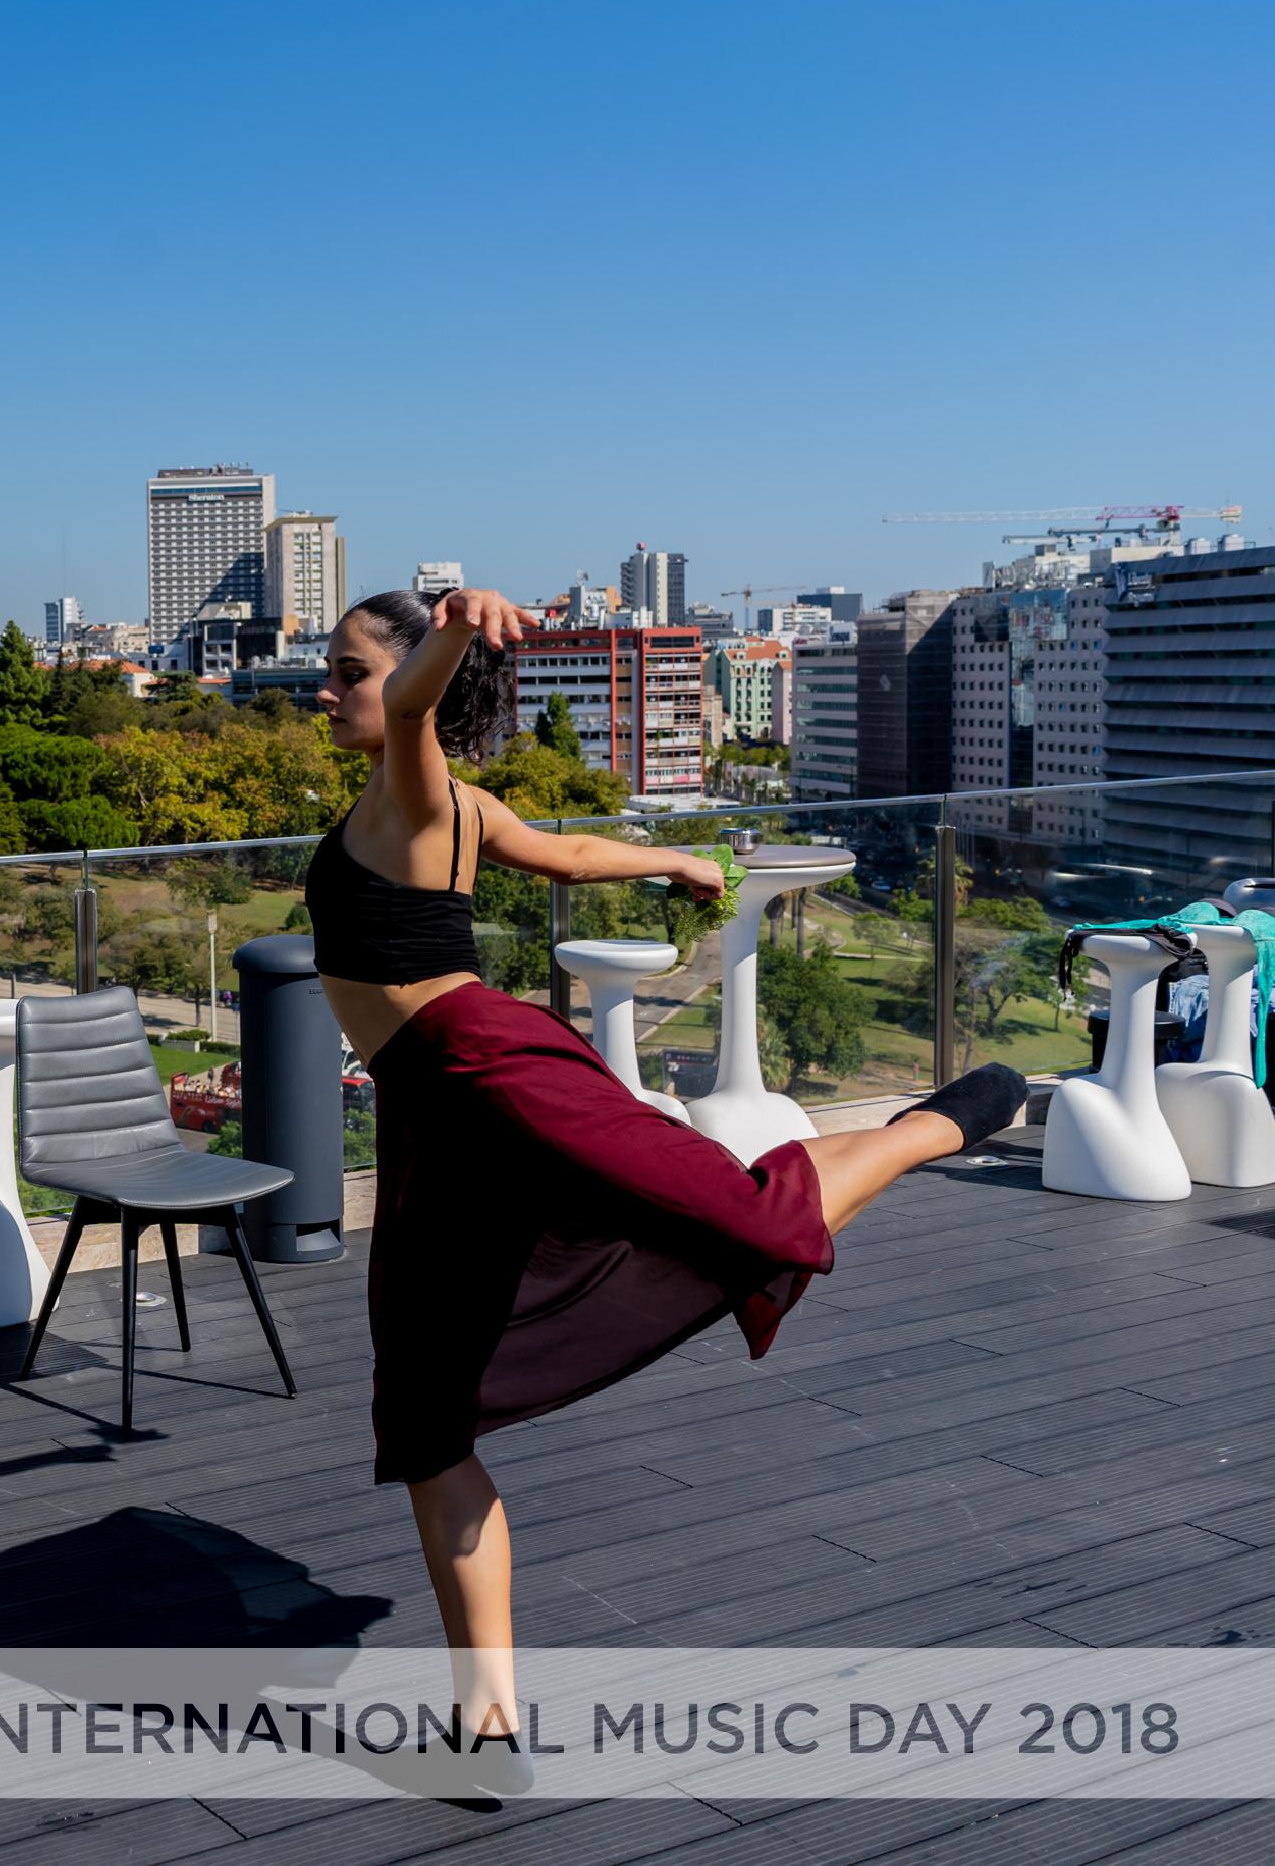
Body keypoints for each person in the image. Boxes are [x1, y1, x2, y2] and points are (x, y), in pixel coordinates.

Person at [310, 585, 1024, 1794]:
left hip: (493, 1066)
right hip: (432, 1118)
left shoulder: (415, 785)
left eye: (342, 673)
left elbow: (421, 701)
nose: (323, 693)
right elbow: (571, 853)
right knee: (425, 1424)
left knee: (744, 1215)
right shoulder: (455, 805)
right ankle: (485, 1722)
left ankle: (925, 1128)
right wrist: (676, 859)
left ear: (409, 681)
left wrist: (445, 635)